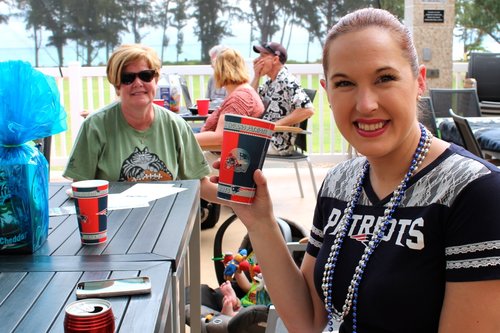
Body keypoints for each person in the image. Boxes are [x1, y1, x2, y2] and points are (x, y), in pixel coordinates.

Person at [213, 8, 500, 333]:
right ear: (328, 92)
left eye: (385, 78)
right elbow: (308, 320)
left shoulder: (474, 193)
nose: (366, 104)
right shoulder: (340, 183)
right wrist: (260, 222)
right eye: (345, 83)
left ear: (419, 80)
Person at [63, 43, 219, 203]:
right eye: (127, 78)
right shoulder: (95, 126)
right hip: (112, 221)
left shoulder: (176, 125)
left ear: (156, 80)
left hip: (165, 217)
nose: (138, 83)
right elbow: (81, 187)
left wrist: (239, 198)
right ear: (117, 86)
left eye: (145, 75)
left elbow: (199, 183)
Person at [251, 41, 314, 155]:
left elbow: (308, 109)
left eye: (263, 56)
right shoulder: (271, 82)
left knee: (233, 145)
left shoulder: (287, 80)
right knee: (229, 142)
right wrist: (256, 76)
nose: (257, 60)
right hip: (265, 138)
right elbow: (250, 101)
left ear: (275, 60)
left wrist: (274, 126)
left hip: (277, 143)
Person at [195, 48, 264, 150]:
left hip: (217, 158)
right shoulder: (242, 93)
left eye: (214, 68)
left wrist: (182, 138)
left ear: (221, 71)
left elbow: (220, 137)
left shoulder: (239, 99)